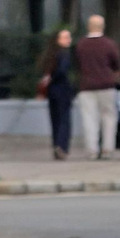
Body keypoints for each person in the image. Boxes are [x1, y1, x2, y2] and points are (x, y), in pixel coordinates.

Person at [75, 15, 120, 160]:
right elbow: (117, 64)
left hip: (86, 86)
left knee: (89, 118)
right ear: (102, 26)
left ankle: (92, 150)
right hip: (106, 85)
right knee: (109, 117)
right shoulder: (109, 44)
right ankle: (108, 149)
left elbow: (77, 64)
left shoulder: (80, 44)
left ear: (89, 26)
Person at [38, 29, 77, 160]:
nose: (69, 40)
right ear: (58, 40)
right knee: (64, 119)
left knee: (55, 119)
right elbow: (62, 71)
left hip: (52, 91)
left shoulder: (50, 55)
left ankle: (55, 144)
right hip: (63, 89)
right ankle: (62, 146)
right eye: (66, 38)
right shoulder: (64, 54)